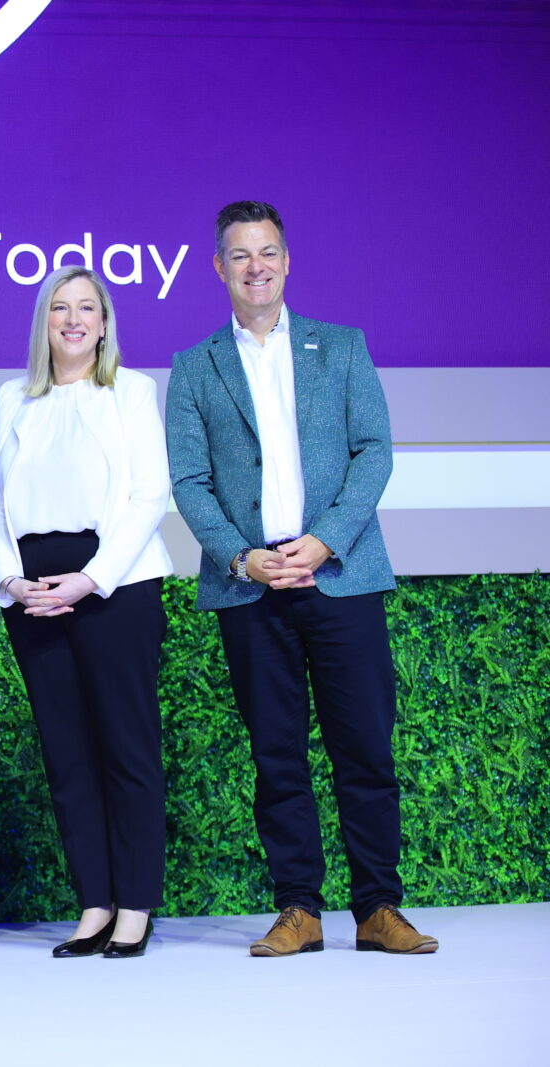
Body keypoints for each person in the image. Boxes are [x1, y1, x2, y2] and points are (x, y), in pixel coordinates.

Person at [165, 200, 438, 956]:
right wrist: (243, 555)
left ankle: (379, 908)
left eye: (269, 252)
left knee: (365, 749)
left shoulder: (342, 348)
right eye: (241, 255)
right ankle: (298, 909)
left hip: (340, 575)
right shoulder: (194, 368)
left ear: (288, 261)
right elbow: (189, 482)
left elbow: (374, 453)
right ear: (219, 268)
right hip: (250, 585)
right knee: (275, 753)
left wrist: (323, 541)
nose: (257, 266)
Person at [0, 267, 172, 959]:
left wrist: (89, 580)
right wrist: (10, 578)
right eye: (60, 307)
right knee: (67, 756)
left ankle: (135, 906)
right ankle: (94, 903)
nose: (73, 318)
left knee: (127, 749)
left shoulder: (133, 392)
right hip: (33, 594)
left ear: (105, 321)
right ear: (44, 320)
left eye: (87, 307)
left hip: (115, 587)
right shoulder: (12, 397)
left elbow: (151, 496)